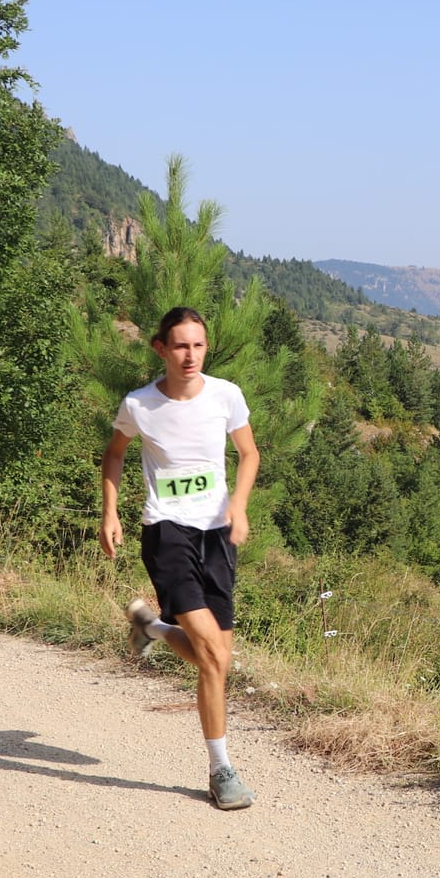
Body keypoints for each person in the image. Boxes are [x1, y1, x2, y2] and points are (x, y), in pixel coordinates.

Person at [99, 307, 260, 810]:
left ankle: (150, 627)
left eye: (199, 345)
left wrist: (239, 504)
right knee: (213, 654)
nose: (190, 355)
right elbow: (115, 453)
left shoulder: (226, 395)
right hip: (166, 531)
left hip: (218, 535)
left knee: (218, 659)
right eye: (181, 346)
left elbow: (250, 454)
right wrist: (110, 512)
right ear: (160, 349)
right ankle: (221, 770)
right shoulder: (140, 404)